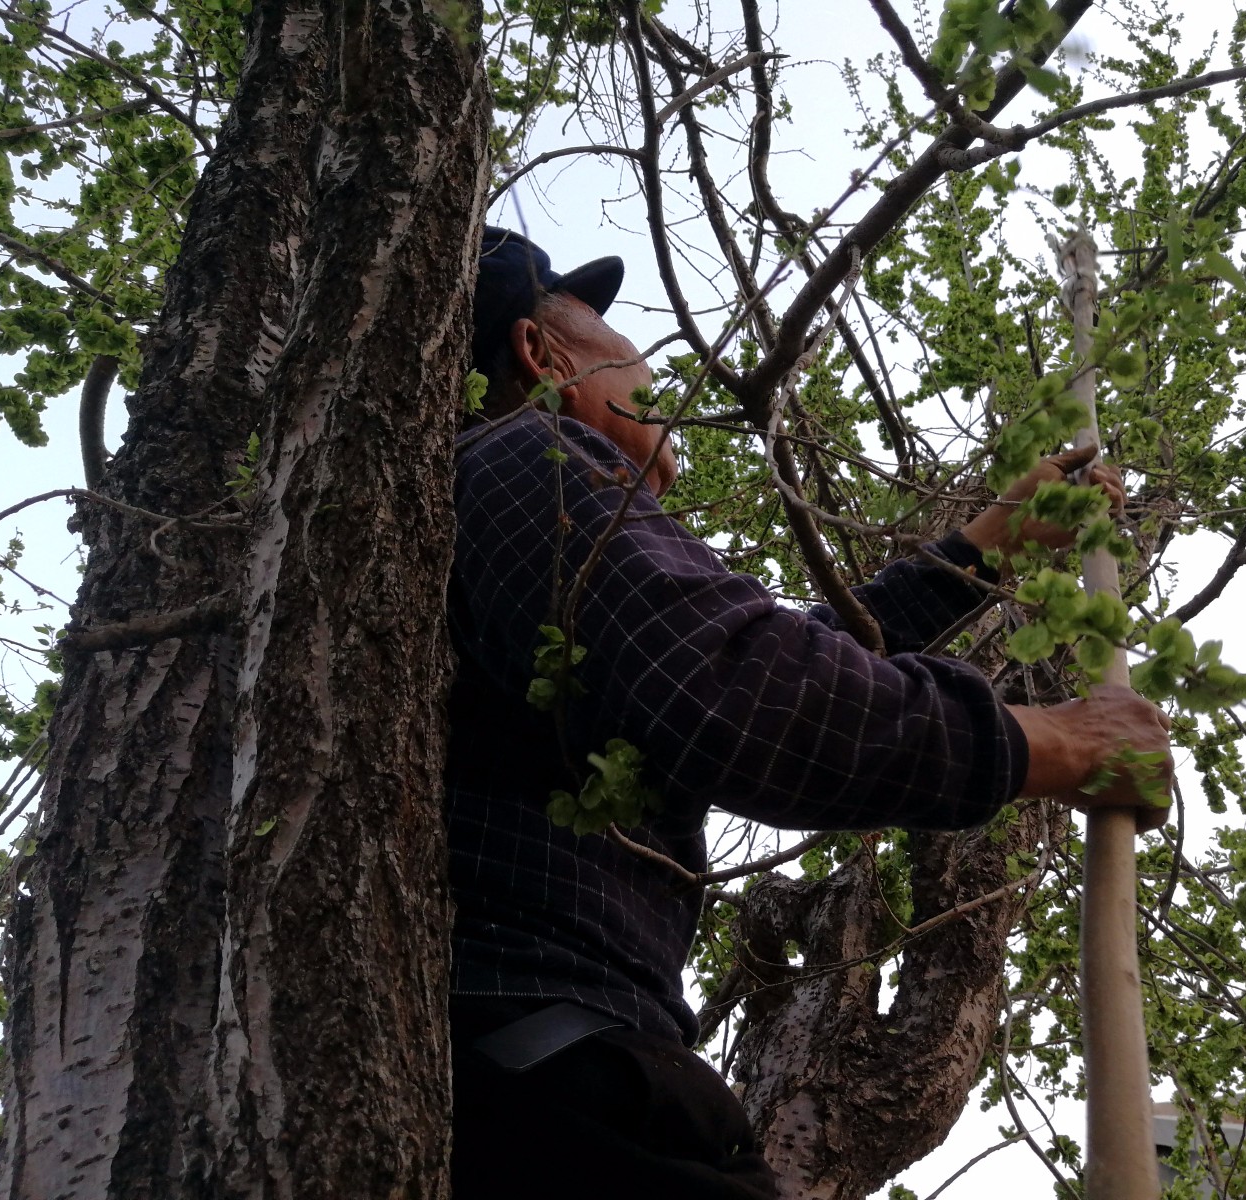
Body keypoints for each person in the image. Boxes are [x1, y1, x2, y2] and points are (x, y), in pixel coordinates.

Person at [444, 227, 1174, 1198]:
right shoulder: (522, 454)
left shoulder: (503, 522)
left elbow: (769, 655)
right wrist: (1045, 745)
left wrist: (981, 553)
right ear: (542, 358)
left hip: (547, 1077)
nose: (656, 378)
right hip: (561, 1091)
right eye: (617, 341)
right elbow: (745, 691)